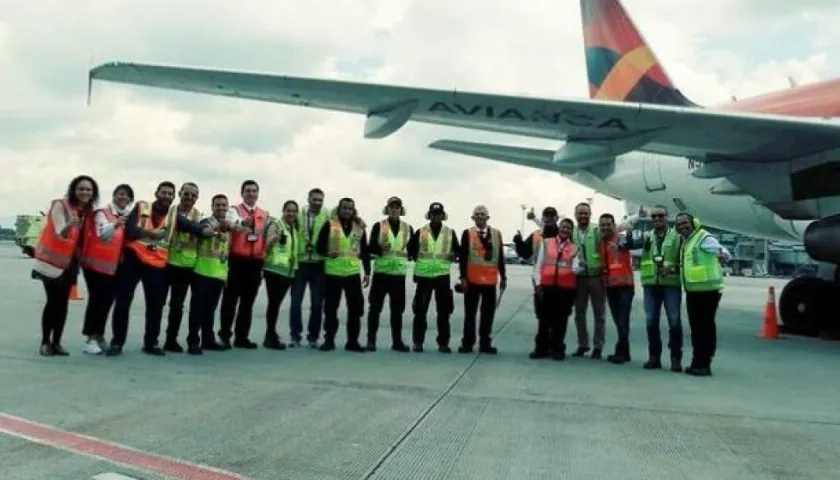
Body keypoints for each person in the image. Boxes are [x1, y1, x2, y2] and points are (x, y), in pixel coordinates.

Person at [107, 181, 213, 356]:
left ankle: (151, 343)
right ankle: (117, 343)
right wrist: (149, 233)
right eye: (164, 193)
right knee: (123, 302)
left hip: (156, 264)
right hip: (133, 260)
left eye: (170, 194)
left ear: (173, 197)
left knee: (155, 306)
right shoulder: (142, 207)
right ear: (156, 193)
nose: (167, 196)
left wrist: (211, 230)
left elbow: (193, 228)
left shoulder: (174, 216)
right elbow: (130, 231)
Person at [32, 175, 99, 356]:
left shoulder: (88, 211)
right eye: (81, 189)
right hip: (51, 261)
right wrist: (69, 225)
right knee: (53, 301)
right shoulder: (61, 205)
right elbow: (60, 231)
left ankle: (57, 342)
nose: (85, 192)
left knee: (63, 303)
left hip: (71, 263)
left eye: (89, 190)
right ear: (74, 190)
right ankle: (45, 342)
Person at [80, 183, 134, 355]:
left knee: (107, 302)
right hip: (96, 265)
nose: (123, 197)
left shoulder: (128, 215)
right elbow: (102, 234)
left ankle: (98, 335)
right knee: (97, 300)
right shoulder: (103, 213)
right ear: (114, 195)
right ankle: (90, 338)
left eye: (126, 195)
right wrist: (117, 224)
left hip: (114, 267)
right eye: (120, 194)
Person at [675, 213, 730, 376]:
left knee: (704, 328)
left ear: (693, 223)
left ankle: (704, 364)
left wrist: (723, 255)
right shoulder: (688, 241)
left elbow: (723, 252)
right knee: (697, 329)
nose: (683, 226)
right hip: (694, 291)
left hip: (708, 291)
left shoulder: (703, 238)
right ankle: (698, 362)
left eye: (685, 223)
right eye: (679, 224)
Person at [315, 198, 371, 352]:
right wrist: (328, 252)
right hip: (332, 273)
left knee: (355, 309)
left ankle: (352, 341)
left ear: (354, 211)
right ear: (339, 209)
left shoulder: (359, 228)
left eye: (350, 209)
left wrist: (367, 272)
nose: (347, 211)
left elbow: (364, 251)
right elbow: (319, 247)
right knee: (331, 309)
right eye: (344, 208)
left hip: (352, 274)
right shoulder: (330, 225)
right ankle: (329, 340)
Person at [219, 180, 268, 349]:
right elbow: (234, 223)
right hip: (237, 261)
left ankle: (242, 337)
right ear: (242, 193)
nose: (251, 193)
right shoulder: (234, 211)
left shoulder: (264, 214)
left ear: (258, 194)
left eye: (254, 191)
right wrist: (242, 223)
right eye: (248, 190)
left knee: (248, 303)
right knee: (230, 300)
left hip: (255, 263)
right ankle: (225, 335)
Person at [406, 202, 459, 353]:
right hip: (424, 277)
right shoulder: (420, 232)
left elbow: (458, 251)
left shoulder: (450, 232)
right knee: (420, 311)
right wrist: (417, 258)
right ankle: (418, 342)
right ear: (429, 215)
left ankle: (443, 343)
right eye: (434, 213)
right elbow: (410, 250)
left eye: (439, 213)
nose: (436, 216)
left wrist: (454, 255)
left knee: (444, 312)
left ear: (443, 215)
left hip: (442, 277)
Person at [186, 194, 233, 355]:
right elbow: (203, 233)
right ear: (212, 207)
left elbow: (224, 253)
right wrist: (216, 231)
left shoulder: (228, 227)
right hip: (202, 273)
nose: (221, 208)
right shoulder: (206, 223)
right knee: (197, 309)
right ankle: (193, 341)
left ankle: (208, 339)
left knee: (210, 310)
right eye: (218, 205)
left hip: (218, 275)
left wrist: (225, 275)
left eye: (223, 205)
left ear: (227, 207)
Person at [640, 205, 684, 372]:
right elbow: (625, 238)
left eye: (660, 216)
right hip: (650, 285)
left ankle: (675, 358)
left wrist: (672, 269)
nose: (657, 219)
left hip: (671, 285)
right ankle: (654, 357)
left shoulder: (677, 237)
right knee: (651, 322)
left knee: (674, 322)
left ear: (667, 217)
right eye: (654, 217)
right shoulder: (646, 237)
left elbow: (683, 259)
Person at [366, 196, 413, 352]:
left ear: (401, 210)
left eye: (397, 207)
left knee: (397, 310)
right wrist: (379, 248)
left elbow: (412, 249)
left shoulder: (408, 228)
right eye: (391, 207)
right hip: (381, 274)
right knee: (375, 308)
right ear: (387, 209)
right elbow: (370, 247)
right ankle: (371, 341)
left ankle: (397, 342)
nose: (394, 209)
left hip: (398, 275)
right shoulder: (378, 226)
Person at [530, 218, 580, 360]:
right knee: (544, 320)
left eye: (569, 228)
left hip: (565, 290)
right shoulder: (546, 243)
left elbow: (575, 268)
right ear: (559, 228)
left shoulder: (575, 248)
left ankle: (558, 349)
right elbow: (538, 266)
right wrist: (538, 284)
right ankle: (541, 348)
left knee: (561, 320)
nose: (565, 230)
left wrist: (579, 267)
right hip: (547, 287)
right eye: (563, 227)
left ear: (571, 231)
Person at [458, 205, 506, 354]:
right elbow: (463, 258)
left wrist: (503, 276)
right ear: (473, 218)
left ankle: (485, 343)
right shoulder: (467, 233)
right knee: (470, 314)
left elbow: (500, 258)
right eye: (477, 214)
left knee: (488, 314)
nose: (479, 217)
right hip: (472, 280)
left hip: (490, 281)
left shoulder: (497, 235)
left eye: (482, 214)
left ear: (487, 218)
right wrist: (463, 278)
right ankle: (467, 343)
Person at [163, 182, 203, 353]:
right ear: (180, 193)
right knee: (165, 305)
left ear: (197, 198)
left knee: (180, 306)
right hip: (168, 263)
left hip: (188, 266)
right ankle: (167, 339)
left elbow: (201, 233)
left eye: (193, 195)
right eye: (186, 194)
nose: (189, 198)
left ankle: (183, 340)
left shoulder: (199, 215)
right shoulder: (171, 212)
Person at [598, 213, 641, 365]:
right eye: (602, 225)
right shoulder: (602, 242)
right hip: (611, 287)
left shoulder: (621, 237)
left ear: (613, 225)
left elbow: (628, 229)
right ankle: (625, 352)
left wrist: (637, 216)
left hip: (625, 286)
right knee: (619, 321)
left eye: (608, 224)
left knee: (623, 320)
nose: (605, 227)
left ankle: (620, 352)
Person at [289, 187, 330, 348]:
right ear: (308, 199)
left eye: (320, 200)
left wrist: (359, 220)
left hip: (319, 265)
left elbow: (345, 214)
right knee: (295, 302)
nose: (317, 203)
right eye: (314, 199)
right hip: (301, 263)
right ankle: (295, 336)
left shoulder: (327, 214)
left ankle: (313, 337)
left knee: (317, 303)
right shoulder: (299, 215)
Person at [262, 200, 300, 350]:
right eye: (288, 211)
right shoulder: (277, 225)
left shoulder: (293, 228)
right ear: (283, 211)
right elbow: (267, 244)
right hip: (274, 270)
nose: (291, 214)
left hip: (287, 272)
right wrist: (272, 241)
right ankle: (270, 336)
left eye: (293, 211)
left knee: (276, 304)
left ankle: (270, 334)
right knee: (274, 304)